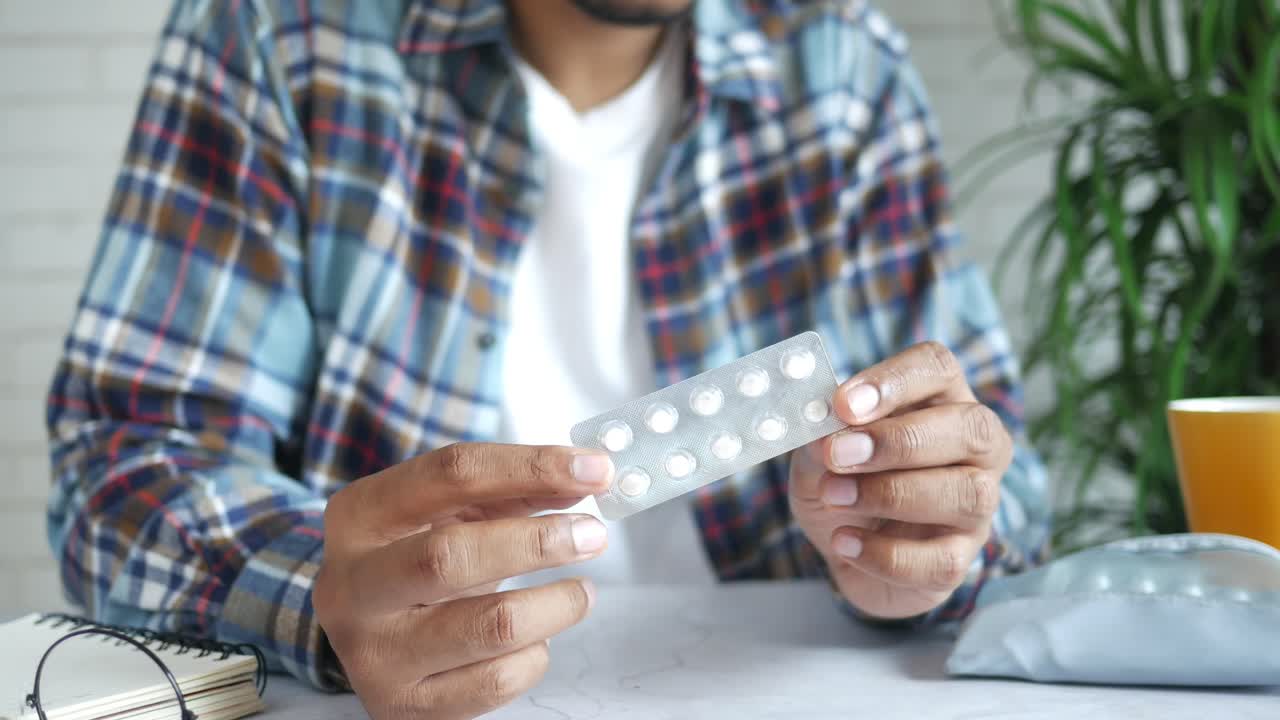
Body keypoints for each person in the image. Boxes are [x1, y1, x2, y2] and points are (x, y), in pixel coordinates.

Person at [46, 0, 1050, 717]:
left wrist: (919, 555)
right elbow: (124, 468)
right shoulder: (278, 34)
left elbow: (989, 466)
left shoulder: (842, 64)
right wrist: (320, 594)